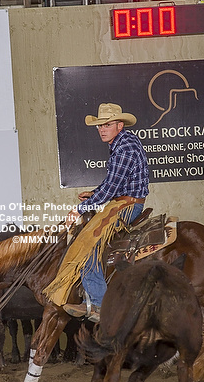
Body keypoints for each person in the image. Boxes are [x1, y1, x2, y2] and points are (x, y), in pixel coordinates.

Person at [44, 103, 149, 323]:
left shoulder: (124, 148)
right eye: (100, 125)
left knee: (87, 244)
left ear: (119, 125)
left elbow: (111, 189)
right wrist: (94, 194)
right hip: (122, 201)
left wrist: (79, 209)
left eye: (107, 125)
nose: (102, 129)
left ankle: (100, 304)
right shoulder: (124, 142)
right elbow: (114, 184)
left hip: (127, 206)